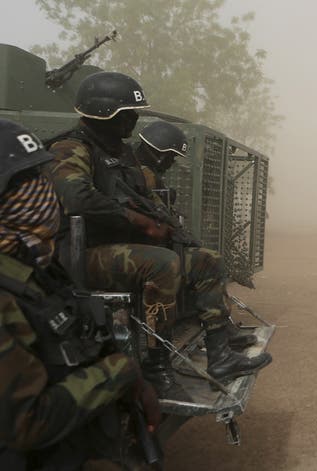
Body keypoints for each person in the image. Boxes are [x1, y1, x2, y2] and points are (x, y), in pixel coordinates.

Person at [44, 72, 269, 396]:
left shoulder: (123, 155)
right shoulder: (70, 148)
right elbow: (76, 197)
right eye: (128, 113)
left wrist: (165, 225)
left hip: (122, 249)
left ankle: (221, 355)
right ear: (105, 113)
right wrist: (138, 221)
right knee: (162, 263)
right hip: (82, 255)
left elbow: (145, 200)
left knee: (207, 261)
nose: (134, 120)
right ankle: (156, 366)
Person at [0, 119, 161, 469]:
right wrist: (119, 372)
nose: (43, 191)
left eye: (41, 178)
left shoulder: (35, 267)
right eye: (24, 184)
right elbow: (25, 424)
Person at [135, 119, 188, 204]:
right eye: (171, 156)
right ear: (160, 153)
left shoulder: (149, 174)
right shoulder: (141, 175)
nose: (171, 162)